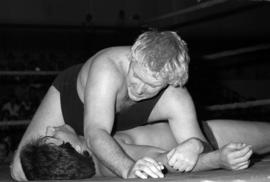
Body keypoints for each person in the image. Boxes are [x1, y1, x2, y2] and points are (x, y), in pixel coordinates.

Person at [10, 30, 270, 180]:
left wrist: (193, 144)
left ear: (170, 83)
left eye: (151, 85)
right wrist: (127, 170)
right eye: (135, 76)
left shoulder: (176, 97)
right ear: (131, 57)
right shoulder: (108, 68)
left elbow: (199, 146)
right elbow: (96, 133)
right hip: (74, 104)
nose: (138, 89)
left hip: (122, 138)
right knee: (21, 171)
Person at [21, 120, 270, 180]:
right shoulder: (108, 156)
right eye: (50, 137)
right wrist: (217, 158)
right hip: (210, 138)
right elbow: (161, 161)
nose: (50, 127)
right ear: (72, 147)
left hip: (202, 138)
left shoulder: (98, 146)